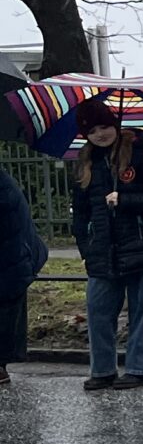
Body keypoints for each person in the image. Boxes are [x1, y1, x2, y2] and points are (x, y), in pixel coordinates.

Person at [68, 97, 143, 391]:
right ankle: (102, 369)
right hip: (102, 251)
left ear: (115, 124)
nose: (100, 134)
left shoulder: (141, 156)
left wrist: (125, 200)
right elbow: (81, 213)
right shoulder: (85, 163)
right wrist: (86, 249)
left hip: (141, 248)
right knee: (98, 311)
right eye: (92, 131)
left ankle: (142, 368)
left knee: (142, 311)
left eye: (104, 126)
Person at [0, 157, 44, 388]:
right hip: (14, 257)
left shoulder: (3, 185)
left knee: (6, 311)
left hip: (12, 259)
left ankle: (1, 367)